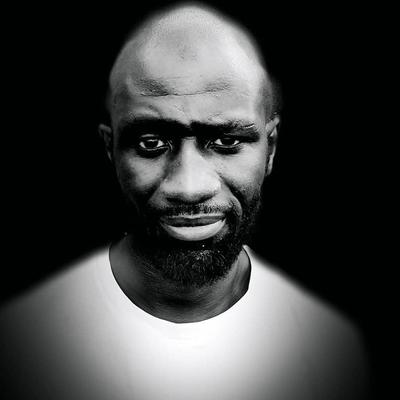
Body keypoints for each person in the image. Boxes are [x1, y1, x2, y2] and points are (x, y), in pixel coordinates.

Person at [0, 3, 369, 399]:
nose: (189, 188)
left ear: (271, 149)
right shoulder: (20, 345)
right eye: (151, 143)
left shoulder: (331, 352)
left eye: (226, 141)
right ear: (111, 150)